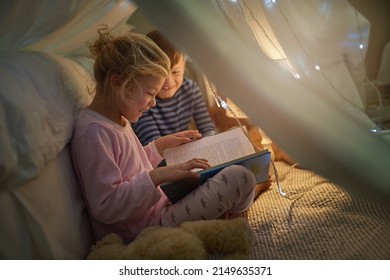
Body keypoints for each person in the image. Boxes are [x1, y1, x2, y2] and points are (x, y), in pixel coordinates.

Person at [71, 26, 261, 243]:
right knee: (240, 177)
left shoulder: (117, 119)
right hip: (143, 231)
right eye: (150, 93)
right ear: (118, 83)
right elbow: (106, 205)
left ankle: (223, 213)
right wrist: (158, 176)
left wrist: (157, 147)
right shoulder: (94, 133)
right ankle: (229, 218)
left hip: (159, 207)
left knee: (232, 170)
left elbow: (129, 169)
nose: (153, 103)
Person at [132, 30, 217, 146]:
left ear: (184, 67)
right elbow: (155, 150)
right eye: (160, 73)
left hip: (186, 152)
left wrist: (212, 143)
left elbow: (207, 128)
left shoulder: (190, 89)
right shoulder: (144, 102)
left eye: (176, 72)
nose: (169, 81)